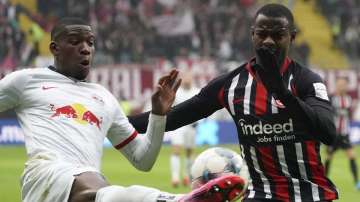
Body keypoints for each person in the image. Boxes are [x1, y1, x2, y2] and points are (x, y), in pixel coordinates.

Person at [0, 18, 245, 202]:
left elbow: (143, 160)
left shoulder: (104, 99)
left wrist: (158, 115)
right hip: (45, 176)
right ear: (54, 48)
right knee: (99, 188)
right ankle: (174, 200)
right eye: (76, 42)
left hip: (84, 191)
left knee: (101, 189)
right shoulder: (25, 81)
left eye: (90, 43)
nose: (85, 48)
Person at [129, 3, 339, 201]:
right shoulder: (230, 85)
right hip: (261, 194)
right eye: (262, 34)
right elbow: (174, 118)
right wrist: (113, 120)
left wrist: (282, 94)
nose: (268, 41)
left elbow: (328, 133)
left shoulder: (306, 81)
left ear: (291, 38)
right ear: (252, 35)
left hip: (311, 194)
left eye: (278, 35)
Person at [324, 77, 360, 189]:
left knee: (352, 156)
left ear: (347, 86)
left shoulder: (349, 99)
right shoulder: (331, 98)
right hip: (333, 134)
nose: (342, 86)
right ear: (336, 85)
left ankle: (357, 182)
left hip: (344, 134)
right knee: (328, 157)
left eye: (344, 84)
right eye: (340, 84)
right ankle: (325, 182)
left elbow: (348, 116)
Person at [167, 71, 200, 187]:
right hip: (178, 125)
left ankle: (186, 175)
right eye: (185, 78)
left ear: (192, 79)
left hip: (192, 126)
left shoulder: (197, 91)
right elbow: (169, 107)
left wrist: (198, 122)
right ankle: (175, 177)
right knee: (176, 149)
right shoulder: (176, 93)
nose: (187, 80)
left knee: (189, 152)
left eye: (189, 77)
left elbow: (201, 109)